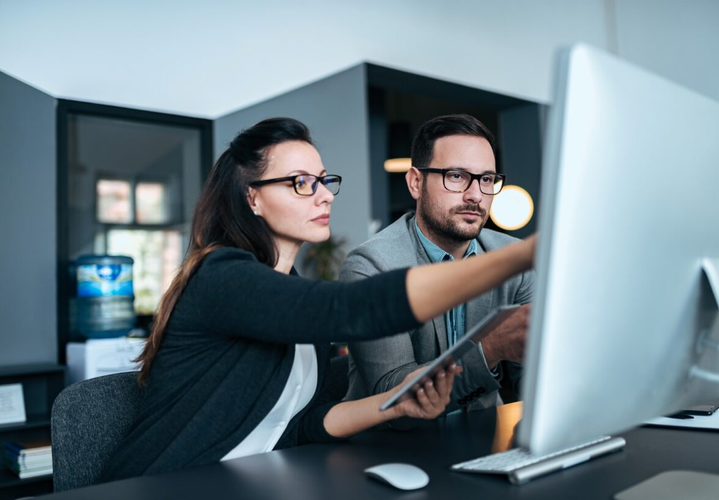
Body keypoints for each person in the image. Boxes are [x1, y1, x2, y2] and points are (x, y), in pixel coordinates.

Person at [99, 117, 535, 482]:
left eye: (324, 180)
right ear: (252, 196)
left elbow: (295, 428)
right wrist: (523, 254)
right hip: (163, 484)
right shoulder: (222, 277)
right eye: (301, 183)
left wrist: (395, 403)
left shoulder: (289, 287)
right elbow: (352, 308)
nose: (325, 193)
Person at [342, 114, 535, 424]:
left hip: (485, 437)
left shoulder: (515, 259)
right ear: (416, 182)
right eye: (457, 176)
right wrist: (491, 348)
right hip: (393, 447)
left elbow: (537, 376)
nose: (475, 195)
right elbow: (394, 394)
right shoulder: (371, 266)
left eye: (486, 179)